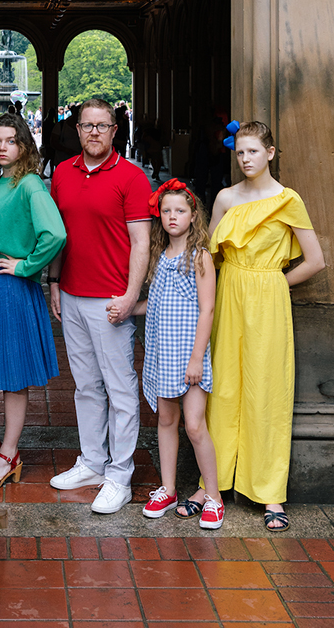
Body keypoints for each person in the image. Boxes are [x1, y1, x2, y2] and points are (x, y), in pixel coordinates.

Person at [194, 120, 326, 533]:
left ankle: (270, 491)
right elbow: (206, 256)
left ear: (270, 152)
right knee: (225, 386)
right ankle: (211, 485)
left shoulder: (288, 199)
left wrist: (272, 284)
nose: (246, 159)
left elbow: (316, 261)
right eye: (240, 152)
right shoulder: (225, 198)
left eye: (253, 151)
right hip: (229, 293)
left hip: (268, 298)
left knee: (267, 387)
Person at [48, 97, 152, 514]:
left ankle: (120, 474)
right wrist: (53, 281)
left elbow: (141, 243)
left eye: (102, 125)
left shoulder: (131, 177)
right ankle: (92, 462)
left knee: (120, 388)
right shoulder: (61, 173)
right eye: (87, 125)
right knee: (87, 386)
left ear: (114, 131)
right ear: (77, 130)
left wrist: (131, 295)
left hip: (111, 299)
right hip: (71, 294)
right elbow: (57, 235)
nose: (94, 132)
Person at [0, 114, 65, 488]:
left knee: (12, 374)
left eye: (11, 140)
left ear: (24, 146)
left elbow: (54, 234)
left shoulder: (30, 185)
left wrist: (28, 266)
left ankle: (9, 452)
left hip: (9, 285)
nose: (3, 147)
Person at [135, 178, 223, 529]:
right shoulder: (160, 256)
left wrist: (197, 358)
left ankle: (213, 496)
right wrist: (129, 307)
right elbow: (156, 302)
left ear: (193, 215)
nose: (172, 216)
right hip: (161, 355)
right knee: (166, 421)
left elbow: (207, 310)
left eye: (180, 210)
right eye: (166, 210)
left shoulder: (199, 257)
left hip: (189, 357)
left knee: (195, 425)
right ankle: (168, 488)